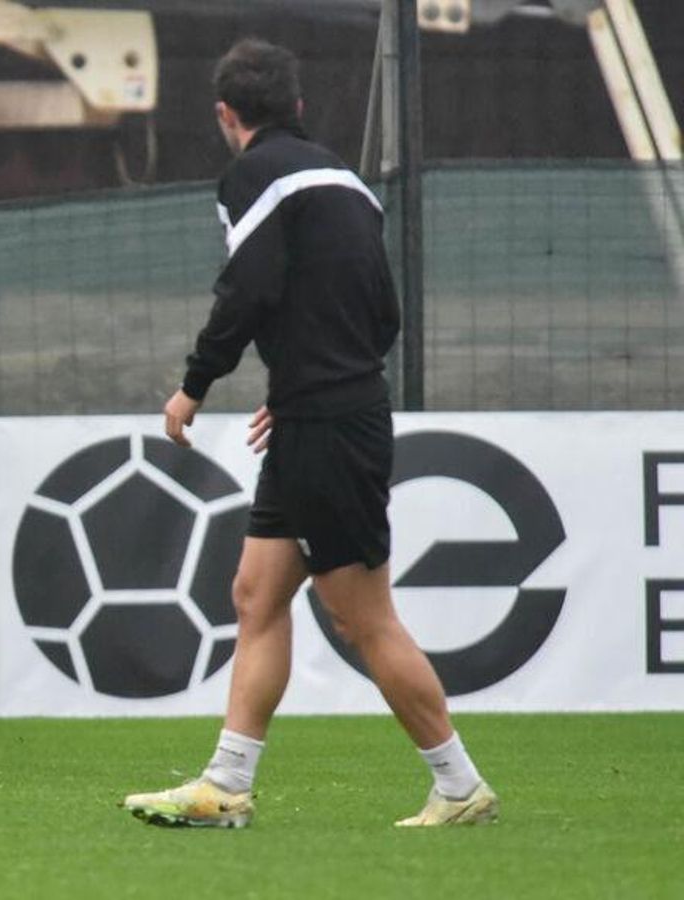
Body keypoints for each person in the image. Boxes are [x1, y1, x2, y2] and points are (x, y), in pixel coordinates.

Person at [122, 39, 497, 828]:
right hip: (321, 412)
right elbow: (381, 311)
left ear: (227, 116)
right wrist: (300, 383)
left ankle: (459, 786)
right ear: (298, 106)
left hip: (328, 420)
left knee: (363, 618)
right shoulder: (349, 184)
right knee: (257, 595)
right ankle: (227, 784)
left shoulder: (250, 175)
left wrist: (195, 384)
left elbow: (249, 288)